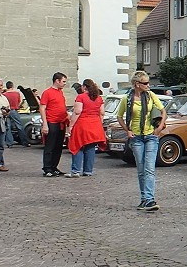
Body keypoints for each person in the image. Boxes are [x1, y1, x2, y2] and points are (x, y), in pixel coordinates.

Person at [118, 71, 167, 211]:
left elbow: (163, 111)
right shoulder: (127, 99)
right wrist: (127, 130)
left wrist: (160, 128)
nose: (148, 85)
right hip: (136, 138)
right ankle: (144, 199)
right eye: (145, 83)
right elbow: (119, 116)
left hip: (151, 136)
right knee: (141, 169)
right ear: (137, 84)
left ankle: (150, 200)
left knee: (149, 168)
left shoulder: (151, 96)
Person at [68, 79, 107, 177]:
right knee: (90, 147)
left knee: (78, 146)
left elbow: (77, 111)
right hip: (95, 125)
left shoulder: (81, 97)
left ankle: (75, 170)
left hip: (82, 124)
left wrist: (71, 125)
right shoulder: (98, 98)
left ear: (84, 87)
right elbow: (102, 112)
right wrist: (99, 123)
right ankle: (88, 170)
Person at [39, 72, 69, 177]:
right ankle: (47, 168)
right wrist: (45, 124)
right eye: (63, 81)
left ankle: (54, 167)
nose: (65, 84)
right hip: (52, 122)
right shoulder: (47, 92)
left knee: (58, 146)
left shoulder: (60, 92)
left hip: (61, 122)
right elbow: (42, 108)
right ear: (57, 81)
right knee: (50, 146)